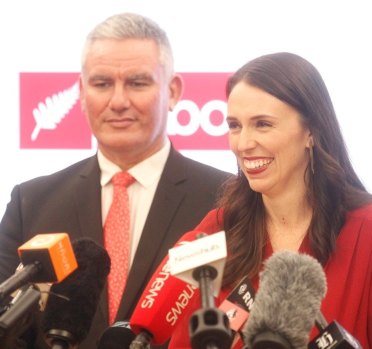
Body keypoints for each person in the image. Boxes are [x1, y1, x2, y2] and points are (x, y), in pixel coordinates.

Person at [167, 52, 372, 349]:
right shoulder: (216, 229)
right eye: (234, 126)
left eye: (263, 124)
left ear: (311, 131)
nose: (243, 144)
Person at [0, 12, 231, 348]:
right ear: (81, 91)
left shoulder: (226, 200)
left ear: (174, 90)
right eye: (102, 83)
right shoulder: (31, 202)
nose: (119, 101)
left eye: (137, 83)